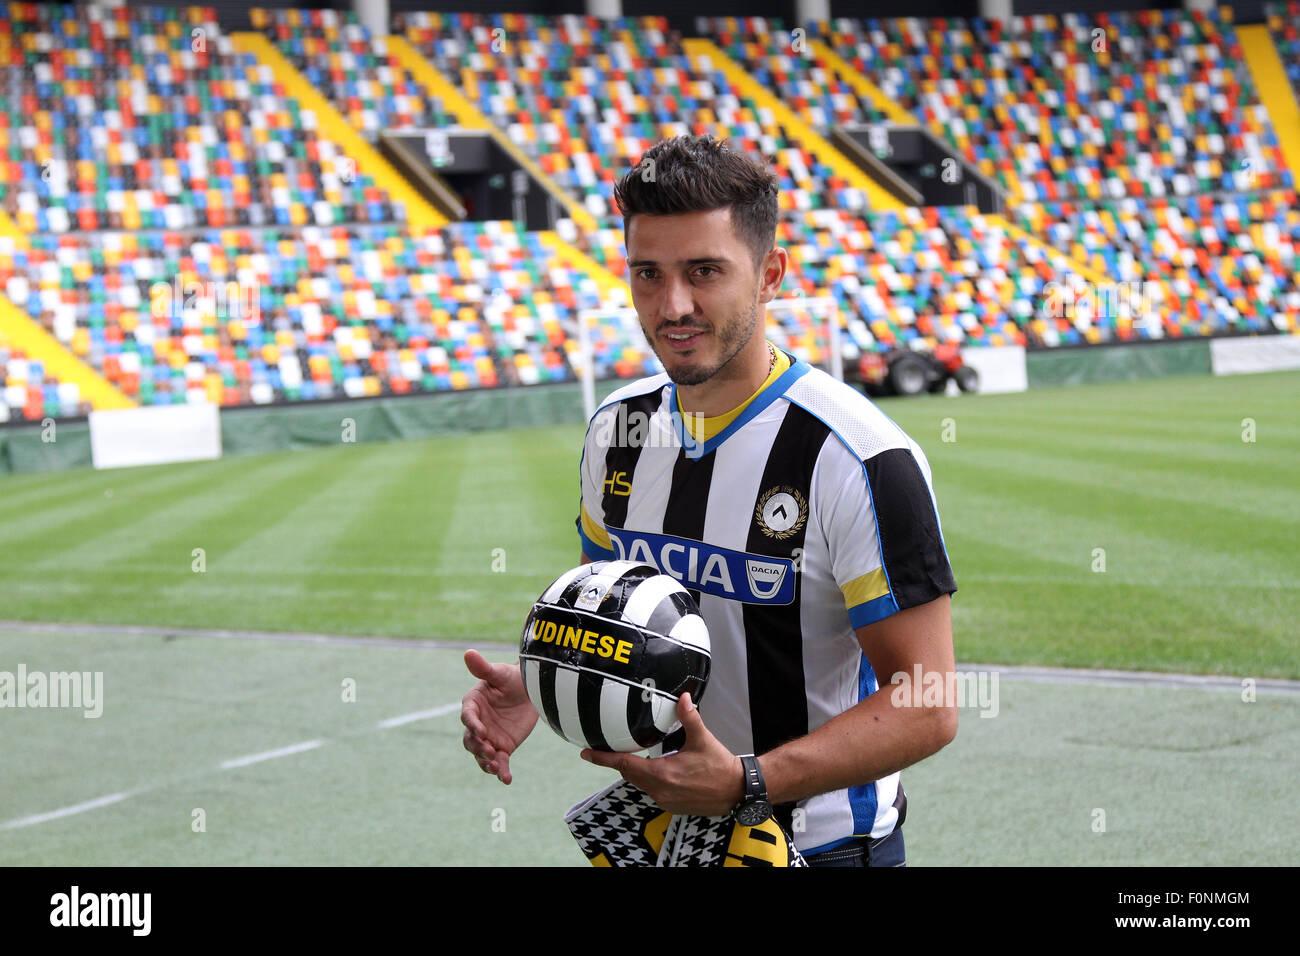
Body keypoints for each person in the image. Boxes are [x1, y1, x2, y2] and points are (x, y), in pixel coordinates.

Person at [462, 134, 958, 866]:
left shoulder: (857, 458)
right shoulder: (618, 431)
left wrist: (747, 783)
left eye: (704, 272)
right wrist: (549, 680)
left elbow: (927, 703)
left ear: (770, 275)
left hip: (823, 851)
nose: (673, 305)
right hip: (664, 844)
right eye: (647, 274)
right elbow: (622, 617)